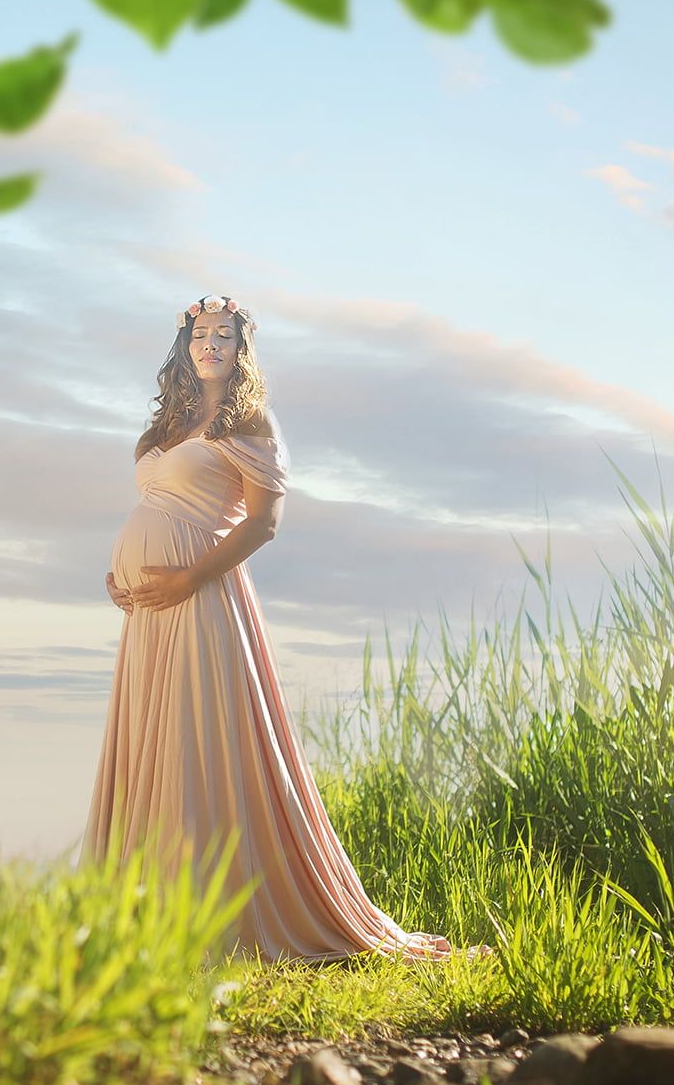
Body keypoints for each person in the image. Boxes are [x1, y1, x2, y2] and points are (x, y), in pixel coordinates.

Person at [82, 292, 479, 964]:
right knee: (151, 739)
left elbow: (264, 522)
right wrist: (124, 573)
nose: (210, 343)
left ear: (242, 347)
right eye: (200, 334)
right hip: (150, 609)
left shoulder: (252, 419)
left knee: (194, 744)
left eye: (223, 334)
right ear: (186, 345)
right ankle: (142, 912)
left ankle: (210, 915)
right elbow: (158, 503)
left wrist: (187, 577)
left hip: (203, 600)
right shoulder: (173, 420)